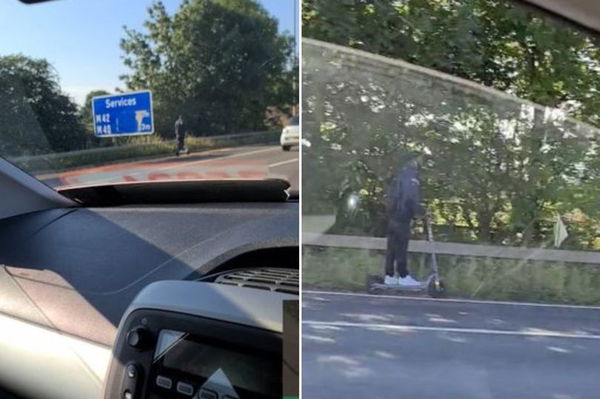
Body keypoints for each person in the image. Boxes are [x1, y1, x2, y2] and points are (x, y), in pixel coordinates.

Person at [384, 157, 425, 286]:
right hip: (402, 216)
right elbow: (410, 197)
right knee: (401, 247)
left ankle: (389, 276)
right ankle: (403, 275)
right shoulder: (411, 177)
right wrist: (420, 211)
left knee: (392, 248)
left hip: (392, 216)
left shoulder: (398, 176)